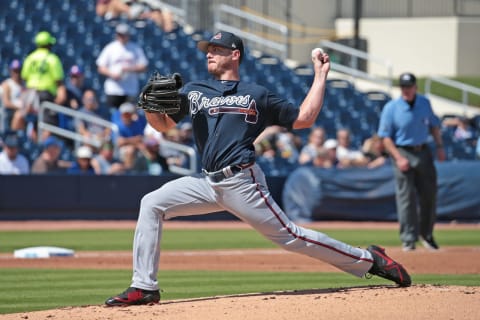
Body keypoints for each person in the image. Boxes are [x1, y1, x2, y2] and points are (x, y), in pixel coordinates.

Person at [105, 31, 411, 306]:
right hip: (206, 182)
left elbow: (304, 118)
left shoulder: (257, 94)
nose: (208, 53)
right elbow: (163, 126)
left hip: (242, 182)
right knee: (151, 203)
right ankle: (144, 287)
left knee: (292, 237)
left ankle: (371, 260)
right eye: (207, 49)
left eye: (216, 48)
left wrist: (320, 74)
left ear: (234, 54)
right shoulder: (195, 91)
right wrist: (150, 109)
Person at [377, 72, 446, 252]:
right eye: (403, 87)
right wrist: (398, 158)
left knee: (429, 195)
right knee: (406, 198)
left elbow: (434, 126)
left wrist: (439, 147)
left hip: (423, 150)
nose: (406, 90)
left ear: (415, 87)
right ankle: (408, 239)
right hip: (402, 150)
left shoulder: (424, 103)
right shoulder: (391, 108)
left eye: (409, 86)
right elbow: (385, 138)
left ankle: (427, 235)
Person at [96, 23, 148, 109]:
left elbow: (144, 66)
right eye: (119, 34)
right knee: (114, 114)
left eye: (124, 35)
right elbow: (100, 67)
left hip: (130, 89)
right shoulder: (110, 48)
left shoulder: (135, 48)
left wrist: (129, 69)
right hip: (113, 89)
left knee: (129, 115)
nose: (122, 37)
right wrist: (112, 74)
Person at [21, 31, 67, 129]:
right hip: (45, 94)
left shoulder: (30, 58)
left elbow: (24, 77)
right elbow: (58, 80)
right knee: (48, 123)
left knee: (31, 123)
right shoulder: (53, 59)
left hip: (30, 93)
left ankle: (32, 142)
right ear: (49, 45)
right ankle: (42, 144)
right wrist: (60, 96)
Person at [1, 59, 26, 132]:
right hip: (9, 113)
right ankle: (13, 134)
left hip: (23, 112)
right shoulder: (7, 84)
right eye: (15, 71)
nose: (17, 74)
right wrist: (20, 107)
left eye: (19, 71)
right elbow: (6, 103)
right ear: (11, 71)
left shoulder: (24, 85)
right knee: (19, 114)